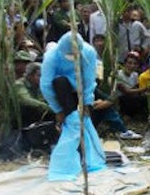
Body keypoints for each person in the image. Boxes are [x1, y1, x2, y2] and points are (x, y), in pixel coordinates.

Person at [40, 31, 106, 181]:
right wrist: (58, 109)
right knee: (72, 122)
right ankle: (66, 162)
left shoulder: (88, 52)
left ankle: (86, 156)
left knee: (82, 121)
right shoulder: (51, 57)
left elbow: (90, 80)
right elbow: (46, 86)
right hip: (61, 89)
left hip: (80, 88)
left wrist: (87, 103)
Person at [116, 52, 149, 121]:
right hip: (122, 99)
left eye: (135, 64)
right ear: (125, 64)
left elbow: (136, 88)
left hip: (133, 98)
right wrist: (144, 89)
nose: (132, 66)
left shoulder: (135, 75)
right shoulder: (119, 74)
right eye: (129, 63)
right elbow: (126, 91)